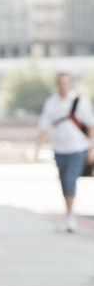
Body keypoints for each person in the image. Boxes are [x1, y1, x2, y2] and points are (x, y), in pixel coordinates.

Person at [36, 72, 94, 232]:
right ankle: (69, 214)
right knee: (64, 180)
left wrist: (91, 148)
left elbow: (91, 125)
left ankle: (70, 215)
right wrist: (37, 149)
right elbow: (44, 127)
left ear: (71, 83)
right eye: (61, 82)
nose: (64, 85)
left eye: (67, 82)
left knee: (70, 179)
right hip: (59, 149)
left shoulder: (80, 101)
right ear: (57, 84)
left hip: (77, 148)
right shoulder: (51, 103)